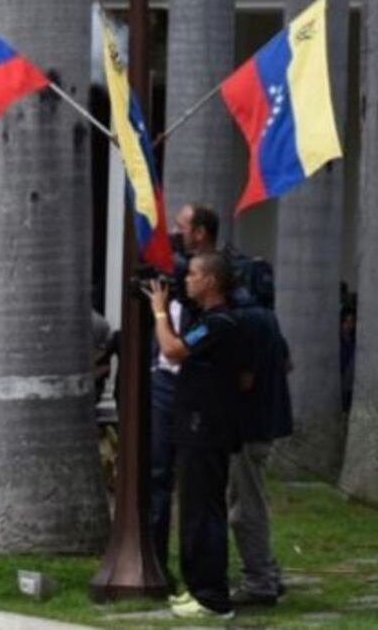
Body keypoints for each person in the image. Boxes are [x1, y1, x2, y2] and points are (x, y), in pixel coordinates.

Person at [149, 253, 241, 620]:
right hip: (195, 428)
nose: (186, 280)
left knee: (204, 513)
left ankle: (212, 597)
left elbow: (172, 350)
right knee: (192, 512)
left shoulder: (219, 323)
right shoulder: (206, 320)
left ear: (212, 282)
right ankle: (199, 588)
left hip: (206, 430)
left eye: (194, 274)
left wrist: (159, 310)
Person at [149, 203, 221, 579]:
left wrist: (161, 311)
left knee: (196, 485)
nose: (175, 235)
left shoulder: (215, 293)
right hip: (162, 383)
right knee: (157, 476)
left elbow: (176, 347)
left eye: (182, 228)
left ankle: (201, 576)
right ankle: (156, 565)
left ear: (201, 233)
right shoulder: (172, 273)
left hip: (193, 390)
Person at [228, 296, 292, 607]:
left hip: (246, 429)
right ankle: (267, 571)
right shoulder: (269, 319)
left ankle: (260, 581)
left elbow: (244, 378)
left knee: (245, 507)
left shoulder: (246, 322)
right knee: (246, 501)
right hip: (262, 424)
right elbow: (287, 363)